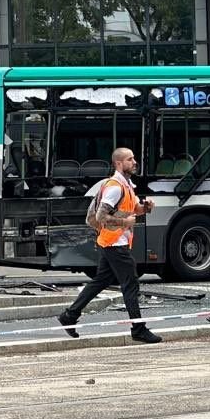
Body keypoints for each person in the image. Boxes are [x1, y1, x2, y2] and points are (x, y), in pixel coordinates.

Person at [57, 146, 162, 344]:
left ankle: (69, 315)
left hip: (111, 242)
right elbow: (101, 216)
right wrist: (125, 223)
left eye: (134, 159)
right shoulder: (115, 187)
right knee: (130, 284)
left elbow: (132, 210)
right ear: (119, 163)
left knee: (101, 281)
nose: (134, 162)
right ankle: (138, 329)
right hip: (114, 243)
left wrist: (145, 208)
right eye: (130, 159)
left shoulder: (127, 185)